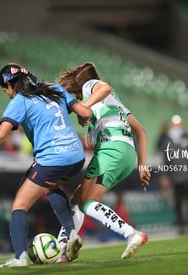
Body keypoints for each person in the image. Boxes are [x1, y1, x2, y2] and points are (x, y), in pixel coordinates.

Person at [0, 63, 91, 268]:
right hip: (76, 156)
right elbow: (86, 113)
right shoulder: (53, 88)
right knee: (52, 186)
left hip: (52, 159)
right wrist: (82, 118)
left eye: (5, 90)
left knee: (19, 205)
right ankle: (72, 234)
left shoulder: (20, 101)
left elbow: (1, 135)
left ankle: (20, 258)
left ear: (11, 85)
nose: (7, 94)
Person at [56, 62, 151, 261]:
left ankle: (131, 234)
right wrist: (142, 166)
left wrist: (84, 105)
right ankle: (64, 248)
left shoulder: (90, 86)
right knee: (79, 198)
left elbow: (104, 86)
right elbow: (141, 131)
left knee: (87, 202)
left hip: (111, 149)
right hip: (126, 154)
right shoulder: (114, 102)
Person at [158, 115, 188, 235]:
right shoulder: (168, 141)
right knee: (177, 202)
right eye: (175, 125)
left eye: (178, 125)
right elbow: (164, 160)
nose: (176, 128)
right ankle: (181, 225)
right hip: (174, 177)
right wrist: (164, 176)